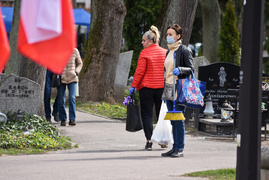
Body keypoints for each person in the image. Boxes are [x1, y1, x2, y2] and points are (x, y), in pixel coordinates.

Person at [129, 25, 167, 150]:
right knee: (161, 114)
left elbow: (140, 72)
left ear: (151, 41)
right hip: (161, 87)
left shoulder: (144, 53)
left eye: (144, 40)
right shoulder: (164, 52)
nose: (142, 42)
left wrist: (133, 86)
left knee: (147, 114)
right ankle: (162, 139)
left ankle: (149, 141)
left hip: (146, 88)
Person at [161, 24, 194, 158]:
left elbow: (191, 68)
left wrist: (180, 69)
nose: (168, 37)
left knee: (178, 119)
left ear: (178, 36)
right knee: (172, 120)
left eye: (171, 34)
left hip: (179, 89)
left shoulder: (184, 50)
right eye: (167, 34)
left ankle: (180, 148)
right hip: (169, 88)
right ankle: (174, 147)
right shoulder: (168, 51)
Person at [58, 48, 83, 126]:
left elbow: (80, 63)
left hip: (73, 78)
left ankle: (72, 119)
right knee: (61, 99)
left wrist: (76, 72)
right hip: (61, 78)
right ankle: (63, 119)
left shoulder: (75, 50)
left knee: (72, 98)